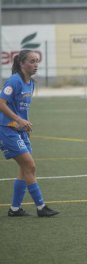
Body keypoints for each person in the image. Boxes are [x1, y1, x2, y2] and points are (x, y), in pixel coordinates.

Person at [0, 50, 59, 217]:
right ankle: (41, 207)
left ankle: (15, 209)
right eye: (32, 61)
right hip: (6, 128)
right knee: (30, 166)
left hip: (20, 130)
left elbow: (22, 108)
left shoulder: (31, 83)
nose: (36, 65)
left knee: (24, 168)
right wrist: (19, 120)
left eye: (37, 61)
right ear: (22, 63)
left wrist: (24, 123)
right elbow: (1, 103)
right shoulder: (14, 81)